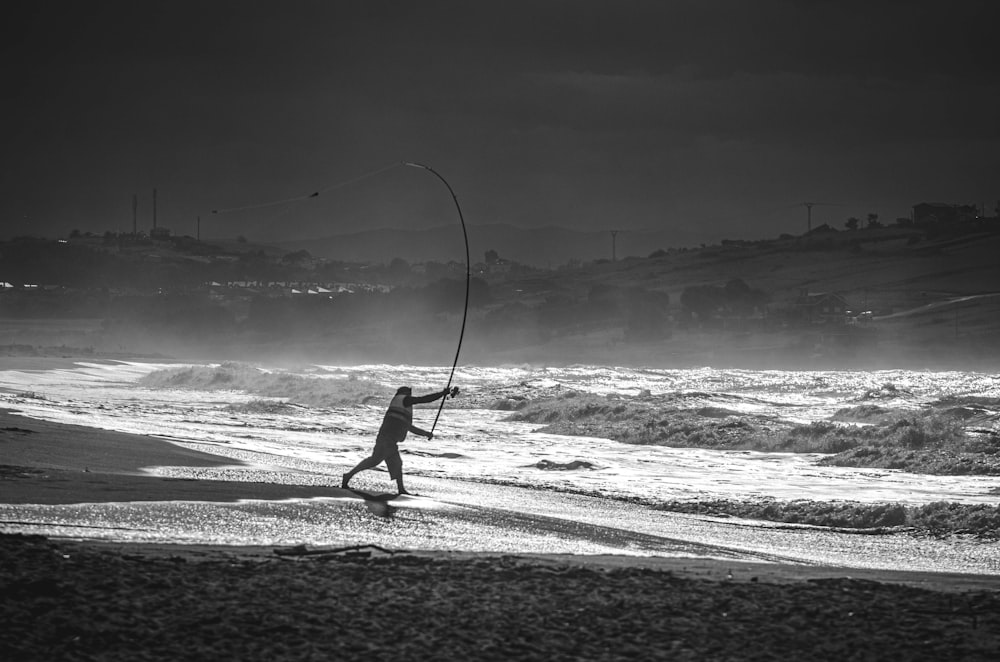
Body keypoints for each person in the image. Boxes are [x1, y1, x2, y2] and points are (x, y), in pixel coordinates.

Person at [342, 385, 459, 494]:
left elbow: (408, 427)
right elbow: (424, 399)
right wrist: (442, 393)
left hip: (388, 439)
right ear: (404, 393)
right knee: (377, 461)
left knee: (388, 462)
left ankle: (400, 489)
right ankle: (349, 476)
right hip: (386, 439)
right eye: (409, 392)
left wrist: (425, 433)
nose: (410, 395)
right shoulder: (404, 399)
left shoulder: (400, 404)